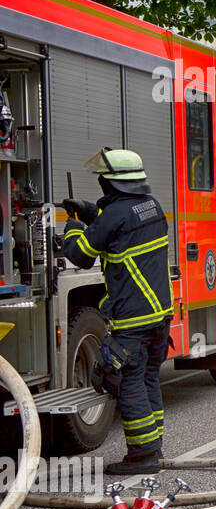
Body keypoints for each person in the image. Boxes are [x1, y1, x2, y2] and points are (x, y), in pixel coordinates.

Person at [61, 149, 173, 474]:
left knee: (129, 382)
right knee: (149, 378)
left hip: (133, 319)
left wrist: (72, 225)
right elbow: (121, 225)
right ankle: (154, 448)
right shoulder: (151, 207)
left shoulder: (114, 215)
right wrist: (91, 212)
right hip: (159, 315)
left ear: (110, 183)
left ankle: (141, 457)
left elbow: (80, 254)